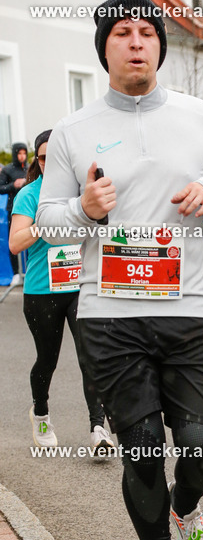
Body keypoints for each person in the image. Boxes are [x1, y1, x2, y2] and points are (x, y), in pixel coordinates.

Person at [36, 0, 203, 540]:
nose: (135, 42)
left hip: (188, 307)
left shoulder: (200, 115)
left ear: (159, 45)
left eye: (146, 33)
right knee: (144, 444)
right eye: (121, 33)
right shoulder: (74, 130)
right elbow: (48, 222)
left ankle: (187, 503)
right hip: (109, 313)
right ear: (104, 49)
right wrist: (84, 210)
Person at [9, 130, 114, 453]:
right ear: (37, 161)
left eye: (54, 156)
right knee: (47, 359)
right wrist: (47, 222)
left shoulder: (82, 191)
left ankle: (98, 428)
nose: (49, 163)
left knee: (91, 357)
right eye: (42, 157)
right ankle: (40, 413)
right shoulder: (30, 194)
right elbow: (15, 243)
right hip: (42, 290)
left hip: (81, 286)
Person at [0, 142, 28, 284]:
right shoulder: (8, 170)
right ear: (15, 154)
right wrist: (13, 185)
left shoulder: (30, 168)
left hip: (30, 210)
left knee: (31, 239)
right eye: (19, 153)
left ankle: (29, 271)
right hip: (13, 210)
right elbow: (0, 188)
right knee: (14, 242)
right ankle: (16, 274)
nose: (22, 156)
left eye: (24, 153)